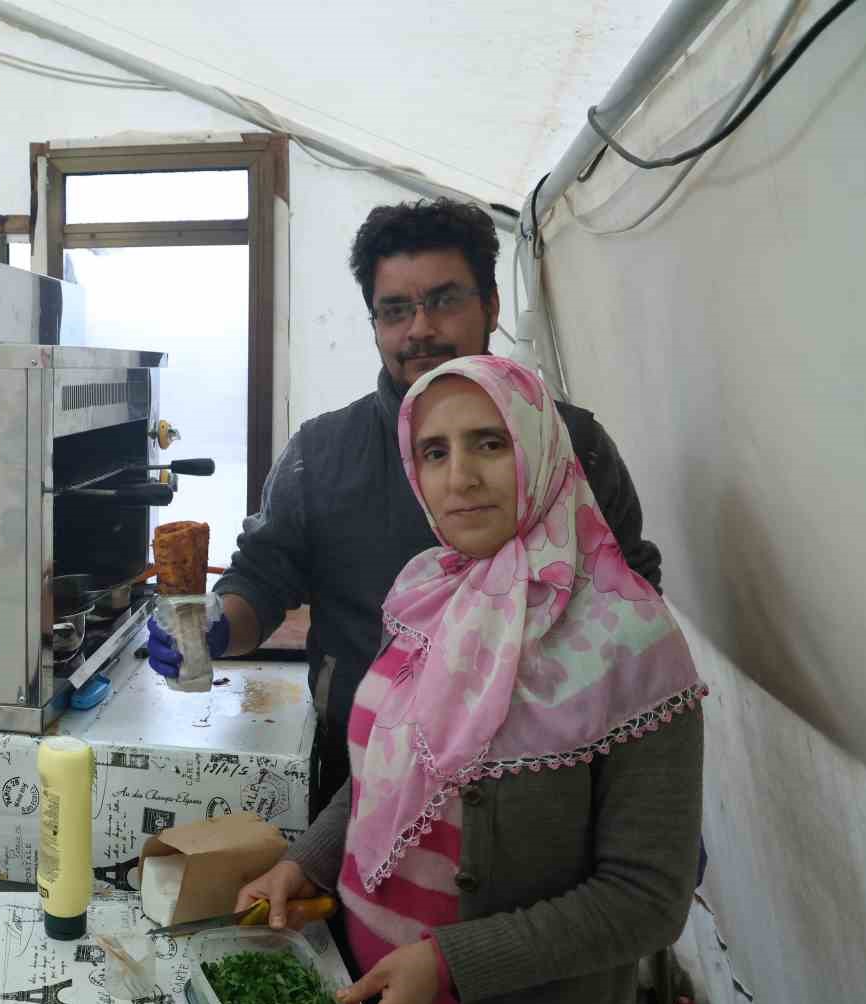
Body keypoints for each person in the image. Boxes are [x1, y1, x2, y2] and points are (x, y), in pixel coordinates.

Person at [233, 355, 705, 1004]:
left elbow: (647, 897)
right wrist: (308, 862)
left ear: (541, 447)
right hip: (369, 1002)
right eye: (434, 451)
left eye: (491, 442)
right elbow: (388, 771)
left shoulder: (630, 640)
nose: (461, 476)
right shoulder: (425, 594)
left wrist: (446, 962)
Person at [145, 200, 662, 809]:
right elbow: (262, 577)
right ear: (374, 325)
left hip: (549, 785)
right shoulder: (323, 454)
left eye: (444, 300)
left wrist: (645, 790)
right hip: (363, 782)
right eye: (396, 310)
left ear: (491, 307)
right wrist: (215, 625)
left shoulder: (573, 449)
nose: (420, 328)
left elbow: (633, 602)